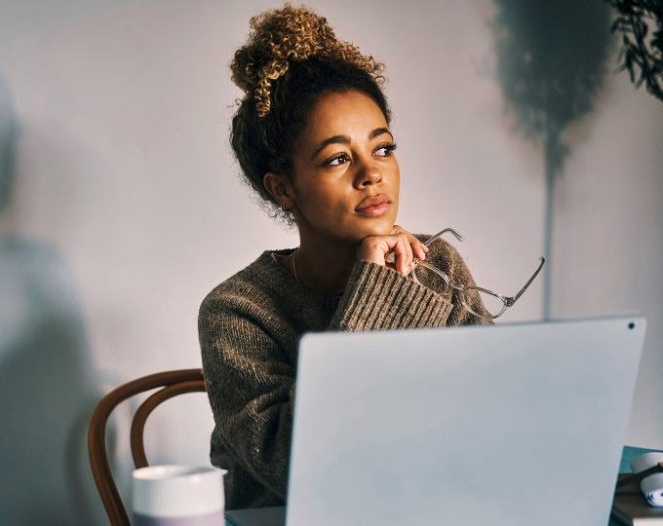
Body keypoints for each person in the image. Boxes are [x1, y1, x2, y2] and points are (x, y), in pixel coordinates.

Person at [198, 4, 492, 510]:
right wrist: (374, 291)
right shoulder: (236, 311)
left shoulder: (435, 264)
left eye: (382, 148)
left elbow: (494, 409)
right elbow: (303, 467)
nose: (371, 174)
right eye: (337, 158)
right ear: (283, 187)